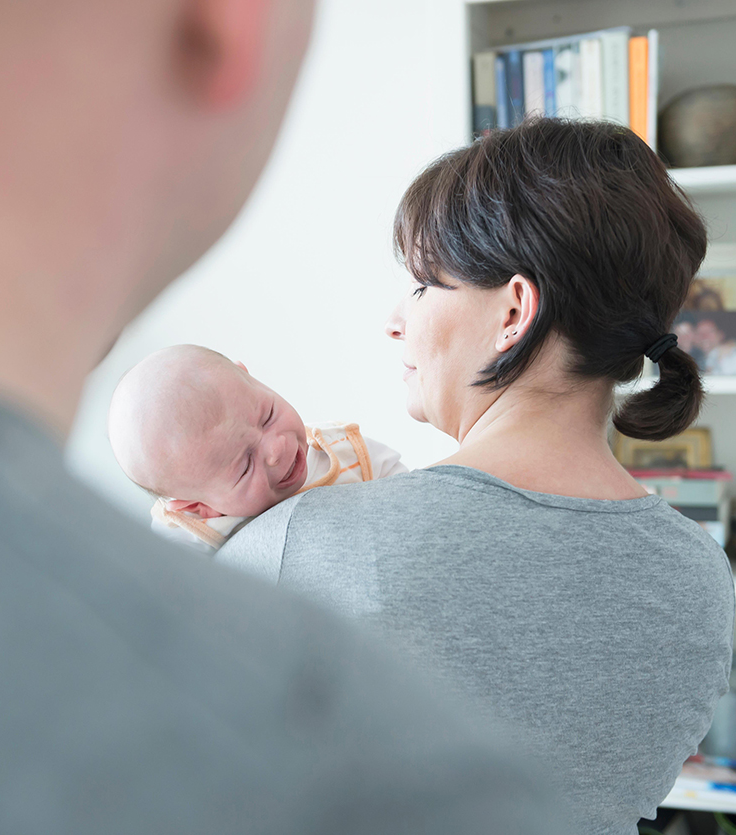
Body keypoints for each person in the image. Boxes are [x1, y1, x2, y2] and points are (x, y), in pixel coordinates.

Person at [0, 3, 573, 834]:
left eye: (264, 413)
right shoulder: (396, 773)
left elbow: (404, 489)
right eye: (237, 467)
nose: (281, 447)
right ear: (229, 22)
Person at [219, 119, 736, 834]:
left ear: (514, 312)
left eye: (426, 284)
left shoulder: (303, 541)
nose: (395, 319)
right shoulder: (701, 578)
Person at [108, 344, 406, 552]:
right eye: (245, 465)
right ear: (199, 507)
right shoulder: (192, 535)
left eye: (268, 416)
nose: (276, 449)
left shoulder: (346, 452)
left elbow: (415, 495)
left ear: (252, 378)